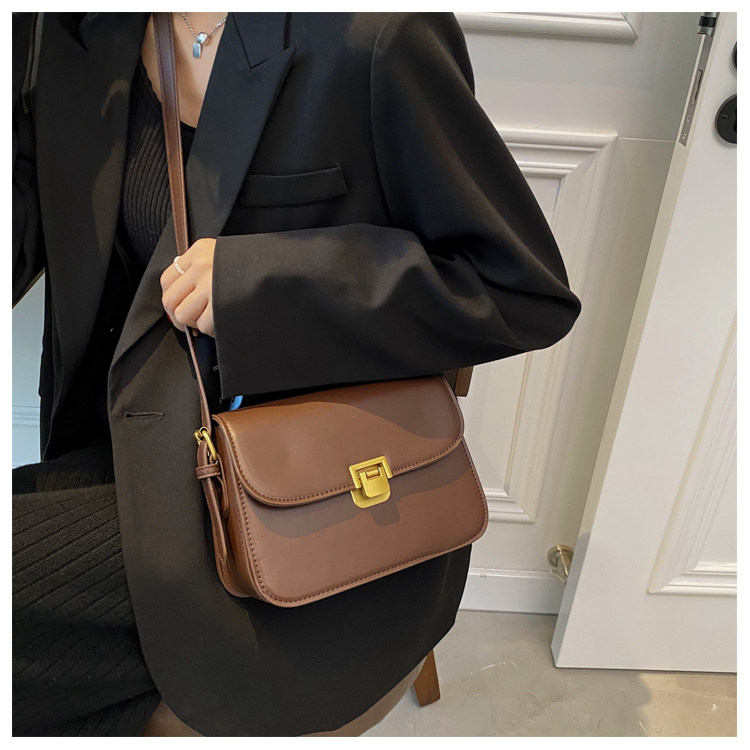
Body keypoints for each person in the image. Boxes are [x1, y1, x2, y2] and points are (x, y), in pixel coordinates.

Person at [12, 11, 582, 736]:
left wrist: (266, 286)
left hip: (312, 504)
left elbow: (519, 290)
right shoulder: (71, 27)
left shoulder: (374, 33)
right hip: (120, 457)